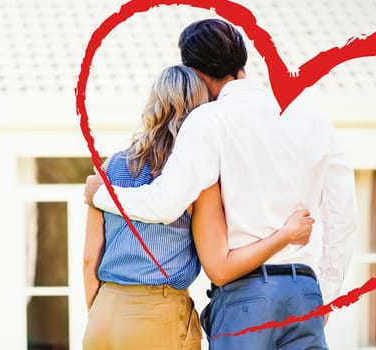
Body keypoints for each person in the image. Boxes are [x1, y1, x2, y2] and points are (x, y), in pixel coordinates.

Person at [83, 19, 359, 349]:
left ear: (195, 72)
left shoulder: (208, 120)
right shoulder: (312, 118)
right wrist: (325, 294)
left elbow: (164, 203)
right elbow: (344, 217)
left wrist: (102, 196)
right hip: (305, 292)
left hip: (245, 298)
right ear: (241, 61)